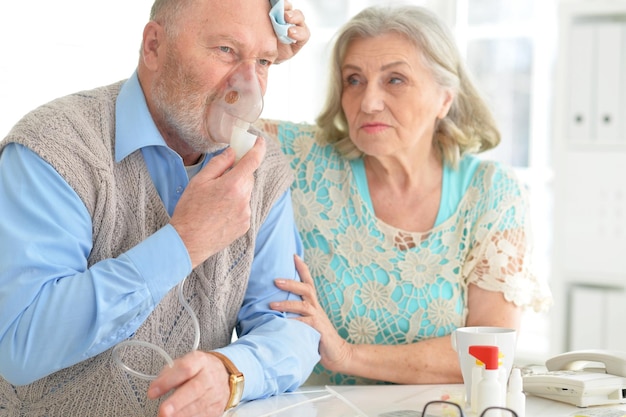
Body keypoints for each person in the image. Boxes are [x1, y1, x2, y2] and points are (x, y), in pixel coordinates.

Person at [0, 1, 320, 416]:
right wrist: (184, 242)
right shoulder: (54, 149)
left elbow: (290, 327)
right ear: (153, 46)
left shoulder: (262, 167)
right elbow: (19, 345)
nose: (247, 86)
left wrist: (232, 372)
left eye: (263, 61)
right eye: (226, 50)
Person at [263, 5, 552, 386]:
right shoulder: (302, 157)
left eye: (395, 80)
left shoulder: (491, 192)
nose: (368, 103)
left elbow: (491, 353)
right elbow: (211, 119)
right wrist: (265, 57)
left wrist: (348, 356)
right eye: (353, 80)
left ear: (444, 99)